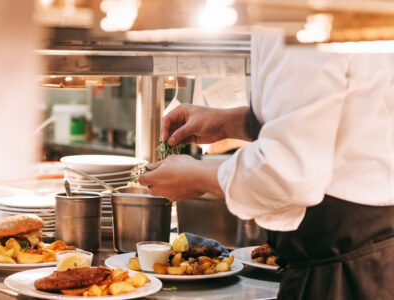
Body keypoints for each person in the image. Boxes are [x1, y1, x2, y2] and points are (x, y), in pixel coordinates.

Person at [139, 28, 394, 299]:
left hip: (345, 270)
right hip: (369, 252)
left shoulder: (295, 16)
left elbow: (289, 174)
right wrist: (231, 123)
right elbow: (339, 117)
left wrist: (198, 177)